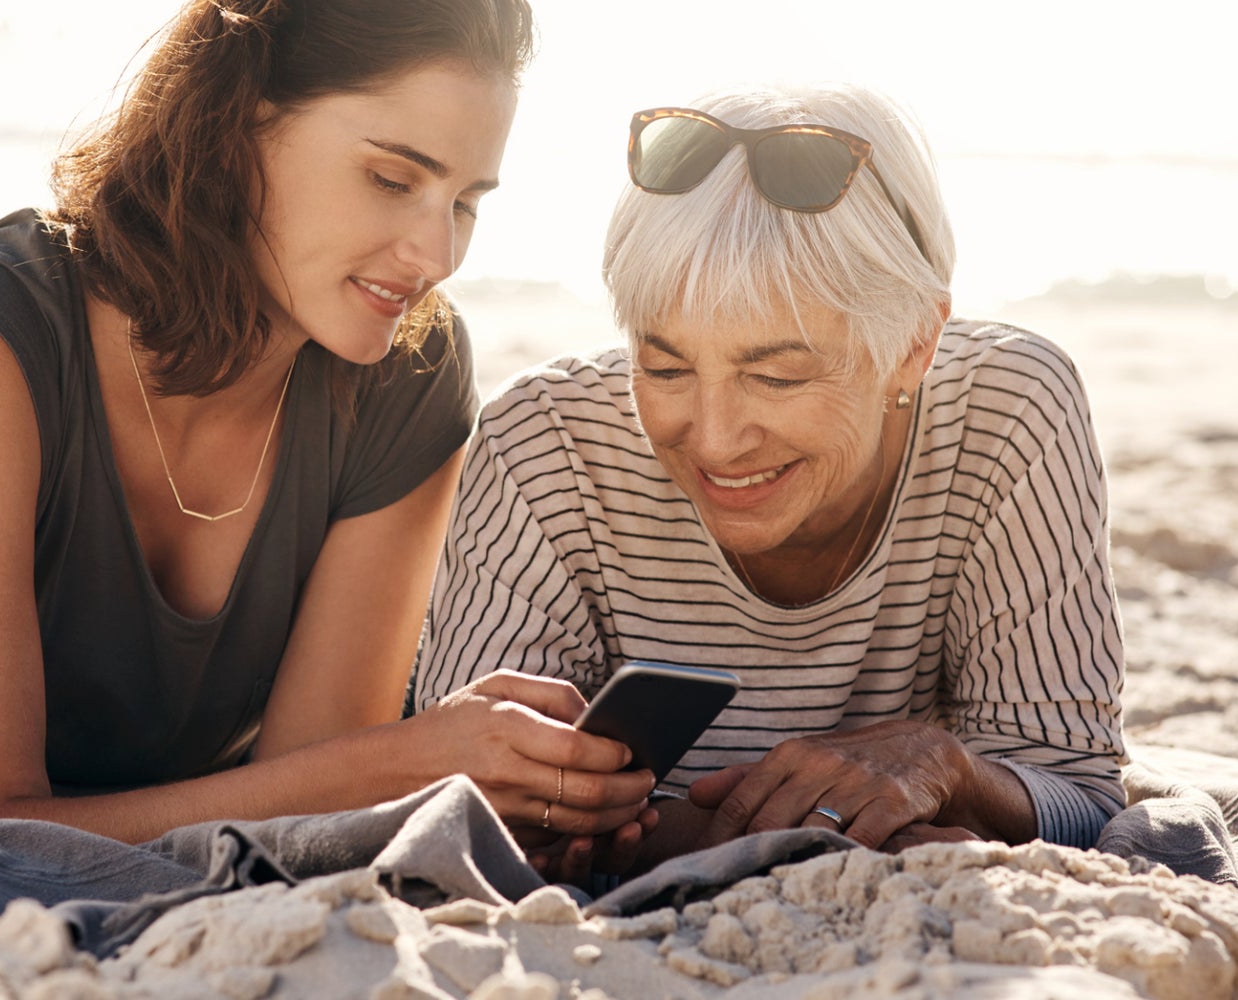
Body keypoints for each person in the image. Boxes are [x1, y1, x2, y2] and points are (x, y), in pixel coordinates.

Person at [0, 0, 655, 847]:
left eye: (465, 200)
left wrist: (416, 764)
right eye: (391, 177)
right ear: (240, 120)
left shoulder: (410, 374)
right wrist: (407, 757)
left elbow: (299, 782)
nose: (435, 253)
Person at [415, 84, 1127, 875]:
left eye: (778, 378)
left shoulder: (1008, 411)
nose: (715, 440)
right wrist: (812, 839)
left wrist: (947, 769)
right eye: (664, 365)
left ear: (915, 345)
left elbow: (1081, 797)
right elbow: (459, 809)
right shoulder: (547, 446)